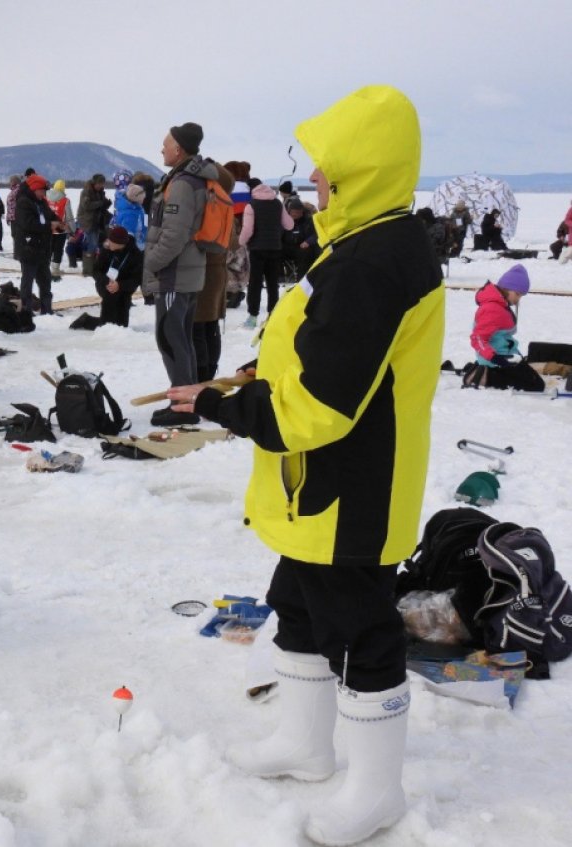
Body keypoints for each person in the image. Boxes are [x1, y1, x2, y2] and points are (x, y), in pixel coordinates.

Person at [167, 85, 444, 846]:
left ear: (364, 168)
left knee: (361, 629)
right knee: (297, 604)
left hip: (349, 483)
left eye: (327, 166)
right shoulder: (362, 241)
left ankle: (377, 789)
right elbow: (319, 347)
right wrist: (260, 372)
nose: (314, 178)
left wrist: (222, 406)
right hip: (313, 484)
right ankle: (306, 742)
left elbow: (323, 403)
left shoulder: (376, 260)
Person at [141, 121, 218, 427]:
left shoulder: (184, 183)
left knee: (172, 340)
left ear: (179, 148)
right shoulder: (187, 179)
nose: (162, 149)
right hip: (185, 273)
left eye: (165, 144)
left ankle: (183, 406)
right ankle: (185, 401)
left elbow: (174, 234)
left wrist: (152, 263)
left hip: (174, 274)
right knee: (180, 339)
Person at [192, 161, 236, 381]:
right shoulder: (226, 206)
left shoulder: (212, 207)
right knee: (210, 326)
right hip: (217, 272)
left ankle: (202, 376)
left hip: (204, 271)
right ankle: (208, 373)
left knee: (198, 326)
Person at [465, 264, 539, 390]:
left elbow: (502, 336)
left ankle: (486, 372)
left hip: (505, 357)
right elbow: (477, 338)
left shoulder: (500, 305)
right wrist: (495, 358)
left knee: (534, 381)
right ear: (506, 288)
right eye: (517, 294)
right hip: (496, 362)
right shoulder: (492, 309)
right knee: (535, 385)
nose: (518, 299)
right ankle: (484, 375)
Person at [239, 177, 294, 327]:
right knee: (272, 283)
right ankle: (273, 315)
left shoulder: (251, 205)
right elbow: (289, 225)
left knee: (255, 283)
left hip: (257, 249)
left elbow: (248, 230)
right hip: (275, 248)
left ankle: (252, 317)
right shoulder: (277, 203)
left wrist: (240, 242)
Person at [77, 225, 142, 329]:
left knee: (121, 326)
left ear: (120, 243)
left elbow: (136, 279)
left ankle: (87, 320)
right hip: (105, 286)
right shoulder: (107, 250)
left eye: (111, 241)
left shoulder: (136, 255)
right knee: (107, 326)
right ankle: (88, 322)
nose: (108, 242)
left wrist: (120, 285)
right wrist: (106, 281)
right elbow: (96, 270)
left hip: (124, 289)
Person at [15, 173, 60, 314]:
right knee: (27, 283)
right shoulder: (23, 202)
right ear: (34, 189)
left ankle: (47, 310)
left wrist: (58, 223)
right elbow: (27, 224)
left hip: (42, 250)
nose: (44, 194)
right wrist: (49, 226)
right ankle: (26, 311)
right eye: (42, 191)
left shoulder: (42, 202)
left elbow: (50, 216)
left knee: (45, 282)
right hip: (28, 250)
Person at [76, 173, 110, 277]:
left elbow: (100, 204)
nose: (101, 186)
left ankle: (90, 268)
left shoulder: (100, 192)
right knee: (92, 244)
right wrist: (100, 203)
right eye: (99, 184)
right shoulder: (86, 192)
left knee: (94, 245)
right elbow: (86, 205)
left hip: (96, 222)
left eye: (102, 184)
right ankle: (87, 270)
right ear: (94, 183)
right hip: (87, 222)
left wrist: (106, 203)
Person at [281, 196, 321, 279]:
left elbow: (315, 234)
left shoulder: (309, 220)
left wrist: (308, 241)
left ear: (302, 212)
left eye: (298, 212)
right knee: (275, 251)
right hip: (287, 247)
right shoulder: (284, 220)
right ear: (289, 211)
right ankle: (279, 277)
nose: (295, 214)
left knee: (307, 253)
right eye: (293, 212)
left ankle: (302, 279)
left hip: (302, 247)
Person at [46, 179, 75, 276]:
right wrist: (73, 229)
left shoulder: (46, 197)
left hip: (48, 227)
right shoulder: (65, 200)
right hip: (60, 228)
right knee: (58, 249)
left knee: (48, 248)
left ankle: (45, 267)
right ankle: (55, 270)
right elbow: (69, 216)